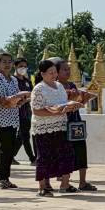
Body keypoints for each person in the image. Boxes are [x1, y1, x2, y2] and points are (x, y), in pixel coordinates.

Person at [29, 58, 79, 196]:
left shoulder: (59, 86)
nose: (53, 75)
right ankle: (42, 187)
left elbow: (63, 103)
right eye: (50, 72)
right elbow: (36, 110)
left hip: (61, 125)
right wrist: (54, 111)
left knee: (66, 154)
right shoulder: (39, 89)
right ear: (42, 74)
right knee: (44, 156)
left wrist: (70, 106)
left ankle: (65, 183)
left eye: (54, 72)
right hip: (43, 127)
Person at [0, 53, 28, 189]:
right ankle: (2, 177)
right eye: (4, 62)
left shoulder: (13, 80)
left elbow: (16, 96)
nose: (7, 64)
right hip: (0, 117)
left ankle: (5, 177)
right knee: (6, 147)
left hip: (13, 116)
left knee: (10, 148)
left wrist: (21, 100)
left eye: (9, 62)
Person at [57, 58, 98, 192]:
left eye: (68, 69)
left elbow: (78, 104)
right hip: (62, 123)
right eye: (64, 69)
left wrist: (83, 99)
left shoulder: (73, 86)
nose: (67, 72)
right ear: (56, 72)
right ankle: (64, 182)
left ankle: (82, 181)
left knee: (81, 151)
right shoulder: (55, 87)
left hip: (75, 123)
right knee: (65, 153)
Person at [14, 58, 36, 164]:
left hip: (27, 112)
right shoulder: (13, 80)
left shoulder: (27, 81)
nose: (23, 68)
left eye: (25, 66)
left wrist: (26, 100)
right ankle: (32, 158)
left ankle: (11, 156)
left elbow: (32, 94)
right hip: (16, 112)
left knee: (21, 137)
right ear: (16, 67)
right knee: (25, 136)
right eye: (20, 66)